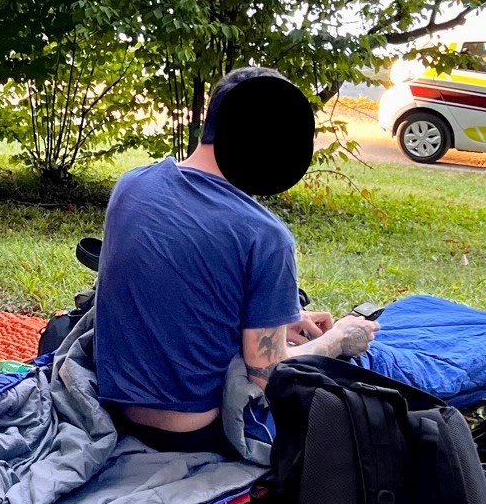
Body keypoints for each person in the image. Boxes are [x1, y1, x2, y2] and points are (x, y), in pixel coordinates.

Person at [92, 67, 375, 457]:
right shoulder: (266, 235)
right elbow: (267, 375)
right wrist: (337, 339)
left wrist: (278, 319)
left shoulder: (133, 184)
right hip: (188, 432)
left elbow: (173, 284)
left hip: (113, 409)